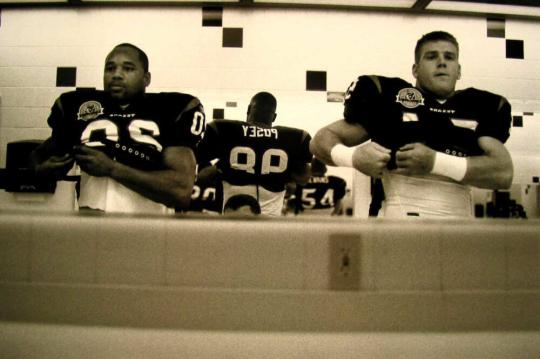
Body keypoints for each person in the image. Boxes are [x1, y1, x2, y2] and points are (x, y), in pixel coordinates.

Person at [310, 31, 513, 219]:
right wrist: (353, 157)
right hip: (397, 225)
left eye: (449, 57)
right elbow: (320, 141)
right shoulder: (390, 98)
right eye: (431, 56)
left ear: (458, 71)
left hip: (459, 228)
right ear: (415, 69)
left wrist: (434, 162)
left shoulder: (481, 106)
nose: (442, 63)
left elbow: (503, 173)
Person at [30, 43, 205, 214]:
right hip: (92, 228)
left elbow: (181, 191)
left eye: (128, 69)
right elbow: (39, 158)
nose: (117, 75)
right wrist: (44, 170)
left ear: (146, 78)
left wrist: (111, 168)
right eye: (110, 68)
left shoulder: (171, 109)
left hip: (151, 229)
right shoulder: (78, 107)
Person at [196, 92, 312, 217]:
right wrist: (285, 172)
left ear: (248, 109)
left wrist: (222, 166)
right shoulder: (295, 137)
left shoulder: (223, 129)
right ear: (274, 117)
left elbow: (202, 177)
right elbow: (303, 179)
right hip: (271, 212)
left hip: (234, 210)